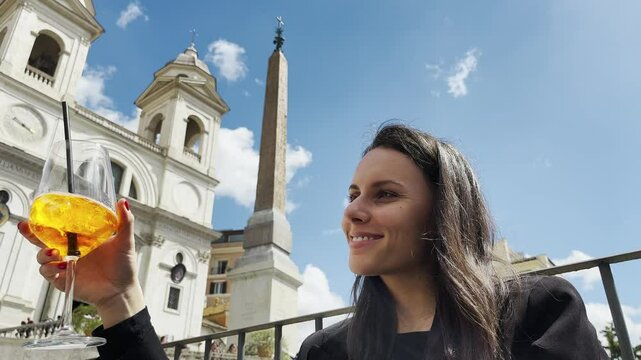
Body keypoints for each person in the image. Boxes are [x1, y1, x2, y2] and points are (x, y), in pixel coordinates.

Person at [20, 123, 608, 359]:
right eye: (353, 193)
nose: (353, 210)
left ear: (444, 211)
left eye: (384, 194)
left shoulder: (539, 313)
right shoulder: (328, 352)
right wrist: (120, 298)